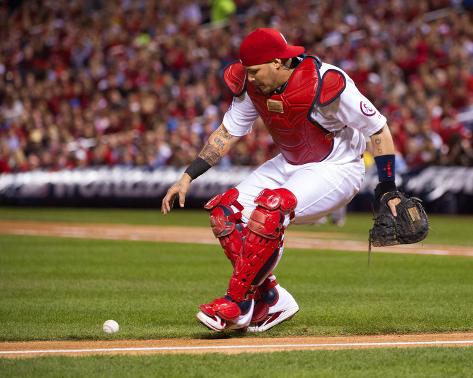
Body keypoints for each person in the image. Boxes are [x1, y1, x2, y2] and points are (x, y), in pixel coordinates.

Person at [161, 28, 401, 332]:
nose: (249, 78)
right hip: (290, 163)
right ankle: (270, 298)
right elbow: (226, 134)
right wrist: (187, 176)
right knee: (224, 212)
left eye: (255, 71)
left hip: (337, 167)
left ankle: (236, 304)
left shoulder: (325, 81)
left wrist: (388, 188)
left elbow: (378, 129)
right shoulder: (253, 87)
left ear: (277, 63)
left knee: (271, 209)